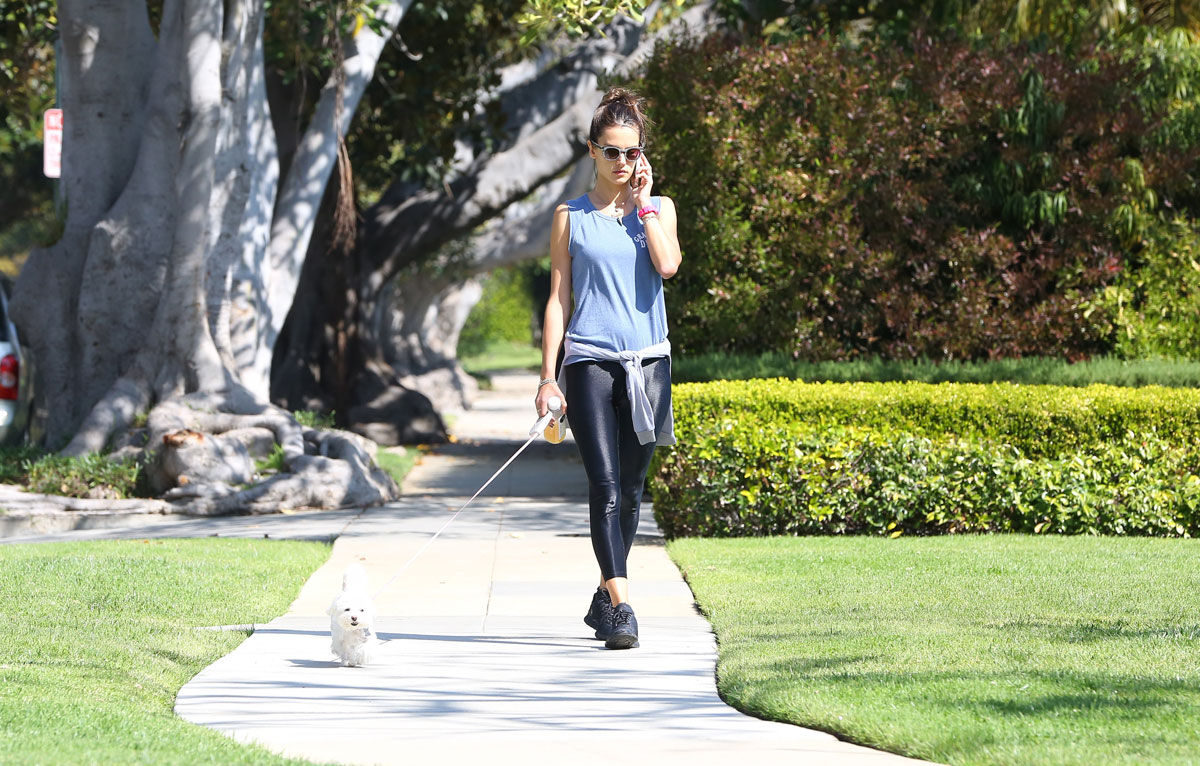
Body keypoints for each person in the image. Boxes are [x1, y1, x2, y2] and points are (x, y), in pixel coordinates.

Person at [535, 87, 682, 650]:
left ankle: (602, 592)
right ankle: (622, 607)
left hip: (650, 363)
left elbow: (667, 265)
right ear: (591, 151)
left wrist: (645, 205)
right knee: (605, 483)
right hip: (590, 361)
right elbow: (557, 299)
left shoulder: (658, 209)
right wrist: (549, 377)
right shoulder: (569, 217)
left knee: (634, 485)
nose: (623, 162)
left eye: (632, 152)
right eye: (612, 152)